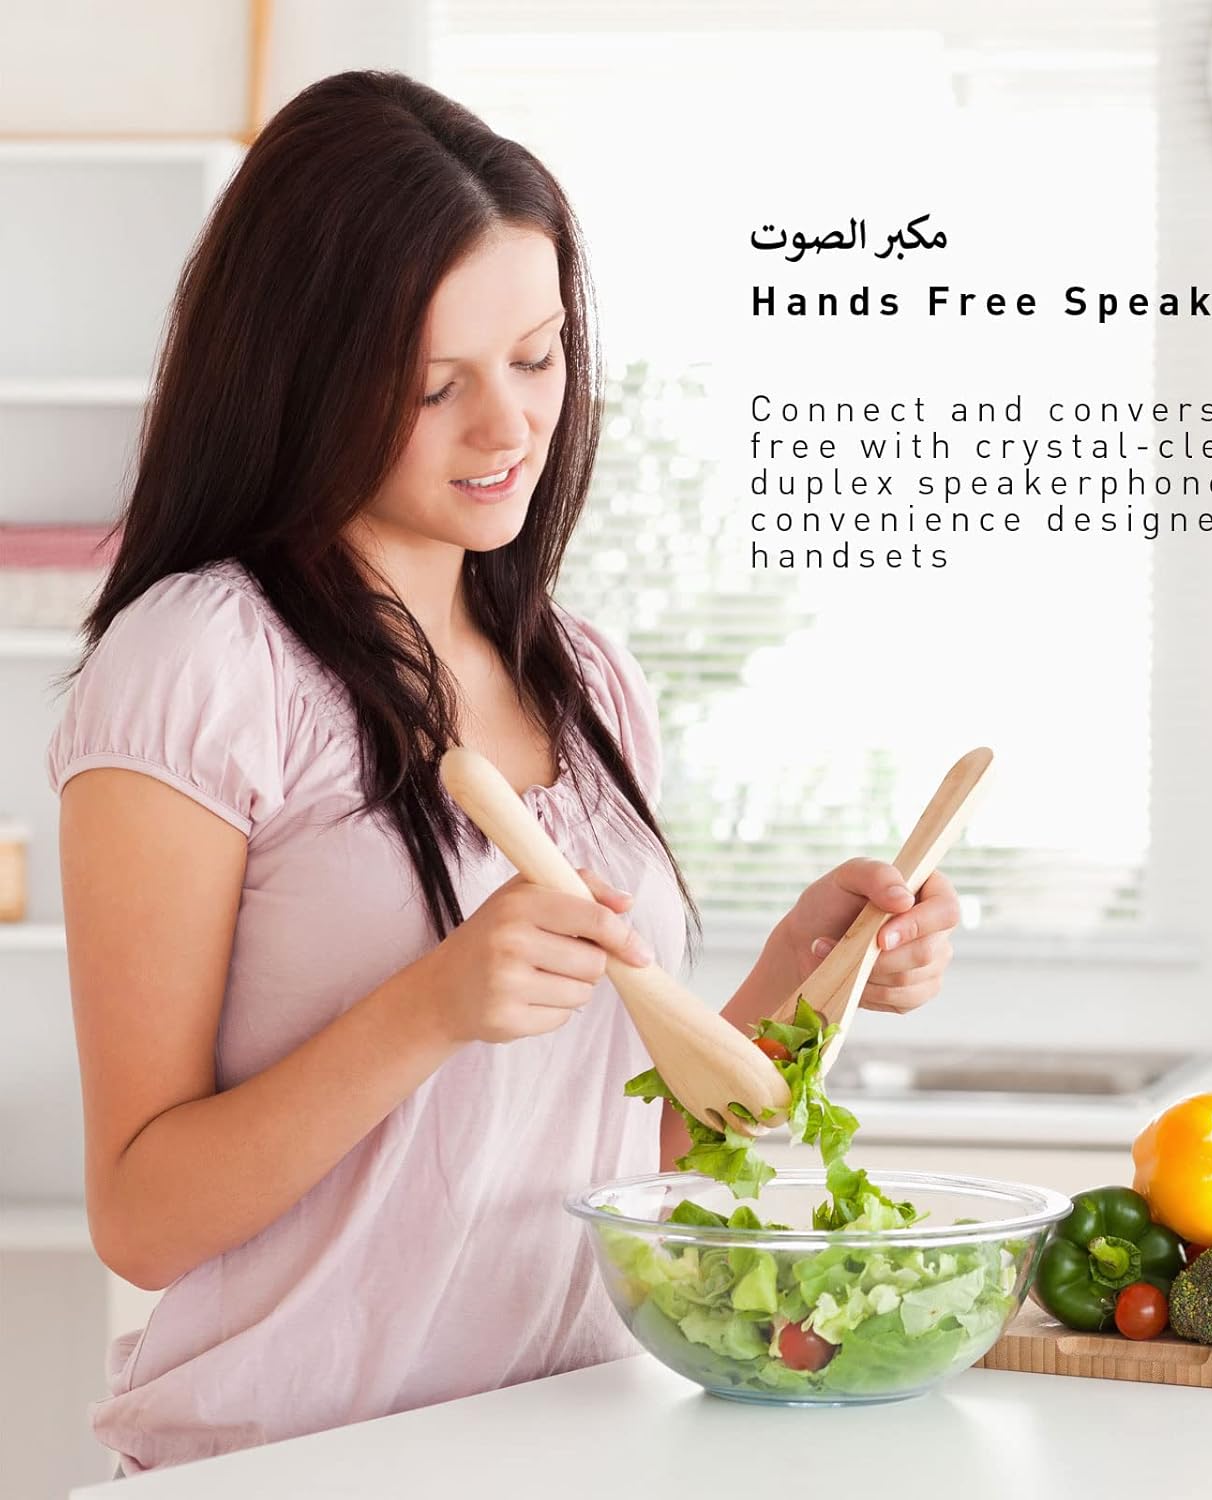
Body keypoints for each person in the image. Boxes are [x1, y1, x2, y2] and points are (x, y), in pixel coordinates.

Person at [45, 70, 962, 1477]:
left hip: (566, 1439)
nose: (509, 426)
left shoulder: (586, 680)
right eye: (431, 383)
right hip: (287, 1463)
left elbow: (632, 1169)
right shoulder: (201, 661)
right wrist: (433, 1008)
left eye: (538, 357)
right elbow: (141, 1214)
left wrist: (799, 978)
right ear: (301, 373)